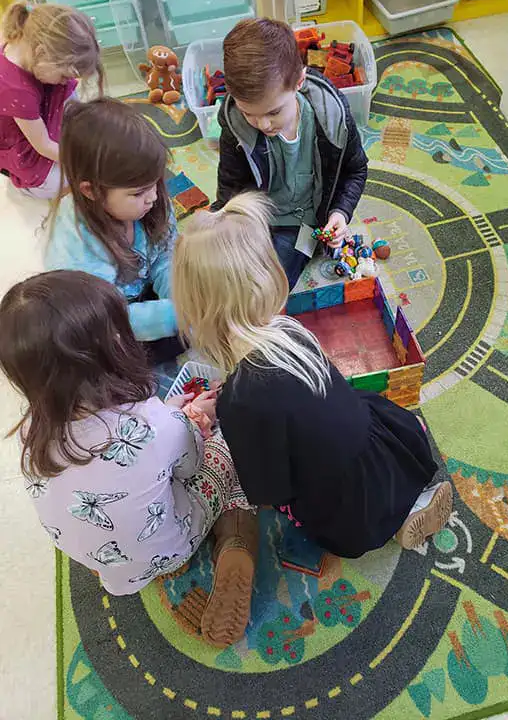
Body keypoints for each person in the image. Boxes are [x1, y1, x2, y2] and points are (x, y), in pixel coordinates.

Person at [173, 193, 453, 558]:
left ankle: (398, 519)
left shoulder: (241, 400)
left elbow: (268, 488)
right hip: (375, 445)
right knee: (353, 420)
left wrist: (220, 425)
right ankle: (414, 498)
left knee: (281, 492)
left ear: (200, 314)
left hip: (345, 498)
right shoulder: (291, 330)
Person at [0, 270, 258, 648]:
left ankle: (143, 563)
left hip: (107, 565)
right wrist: (194, 422)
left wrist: (171, 415)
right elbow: (191, 464)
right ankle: (235, 538)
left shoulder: (30, 435)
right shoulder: (156, 424)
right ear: (114, 351)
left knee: (137, 485)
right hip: (169, 545)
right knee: (233, 445)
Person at [213, 18, 368, 289]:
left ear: (299, 81)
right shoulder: (236, 124)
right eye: (249, 113)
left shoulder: (332, 117)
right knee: (219, 278)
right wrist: (226, 221)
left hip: (302, 224)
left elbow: (356, 170)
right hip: (255, 220)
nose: (262, 124)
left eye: (274, 112)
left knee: (270, 288)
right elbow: (231, 185)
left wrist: (340, 213)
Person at [45, 97, 179, 363]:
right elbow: (104, 317)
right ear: (91, 190)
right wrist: (176, 315)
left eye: (156, 183)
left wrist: (179, 298)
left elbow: (167, 255)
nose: (152, 197)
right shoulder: (76, 245)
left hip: (136, 292)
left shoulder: (150, 202)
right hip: (105, 315)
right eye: (139, 192)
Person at [0, 2, 103, 199]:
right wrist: (84, 162)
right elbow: (44, 145)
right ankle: (26, 188)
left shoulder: (27, 42)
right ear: (41, 53)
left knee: (74, 108)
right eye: (64, 75)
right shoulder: (17, 91)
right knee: (60, 183)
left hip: (35, 113)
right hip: (25, 144)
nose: (68, 81)